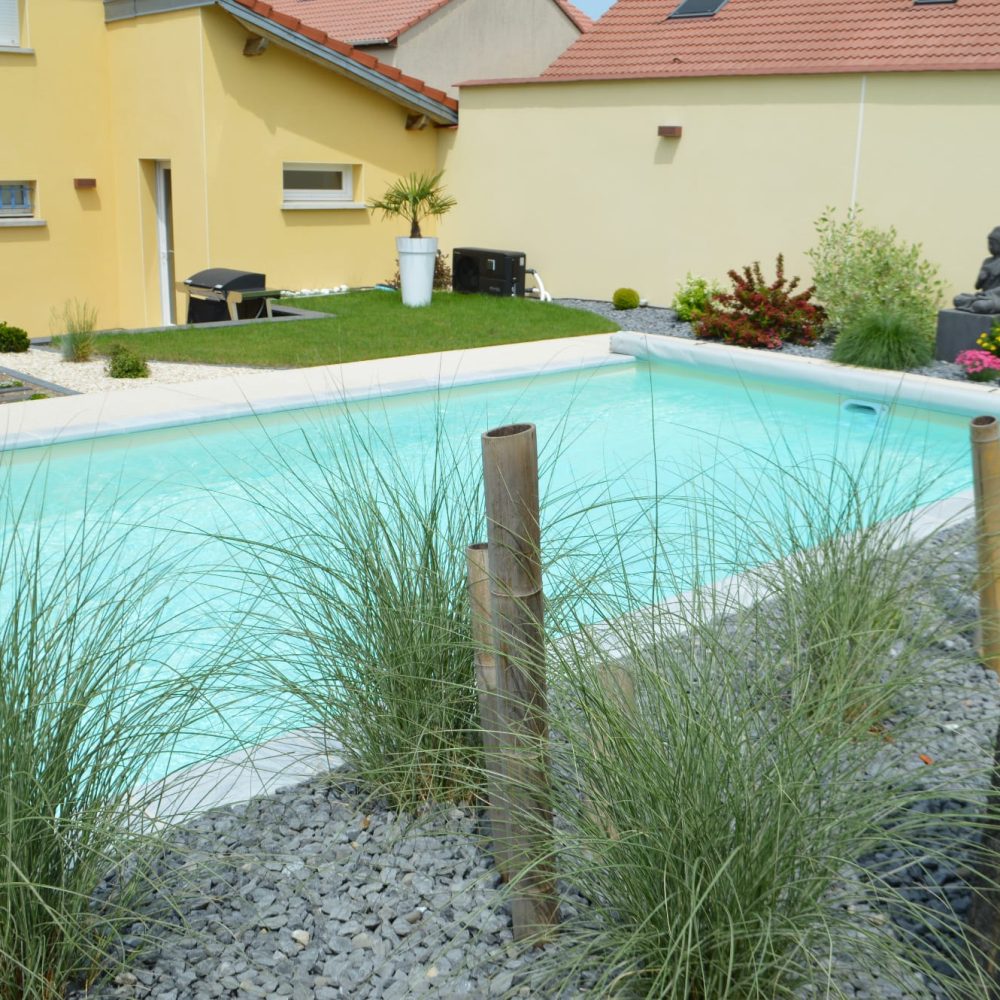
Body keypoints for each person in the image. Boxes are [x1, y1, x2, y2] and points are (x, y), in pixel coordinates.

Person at [954, 226, 1000, 314]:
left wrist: (988, 293)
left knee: (981, 306)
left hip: (996, 298)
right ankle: (974, 303)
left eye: (993, 244)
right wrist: (980, 279)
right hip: (982, 296)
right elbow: (977, 287)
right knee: (958, 299)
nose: (990, 247)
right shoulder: (987, 261)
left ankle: (975, 304)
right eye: (989, 244)